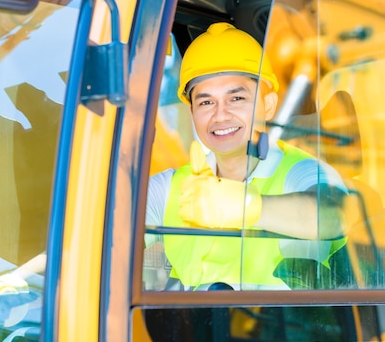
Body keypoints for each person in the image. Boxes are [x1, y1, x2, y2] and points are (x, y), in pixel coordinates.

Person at [145, 22, 348, 290]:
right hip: (194, 329)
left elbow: (335, 215)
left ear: (268, 105)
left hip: (289, 329)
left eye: (236, 98)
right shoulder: (172, 188)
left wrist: (246, 207)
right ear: (193, 112)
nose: (220, 115)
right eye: (206, 102)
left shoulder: (301, 171)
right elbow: (106, 229)